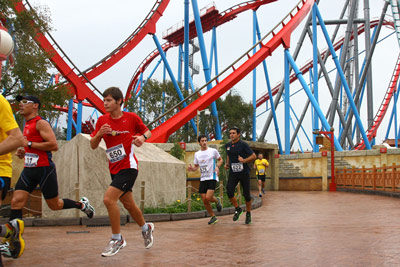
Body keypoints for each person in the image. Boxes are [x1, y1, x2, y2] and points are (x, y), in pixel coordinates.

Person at [10, 95, 95, 236]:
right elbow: (32, 146)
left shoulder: (40, 123)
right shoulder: (27, 124)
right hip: (29, 170)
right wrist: (24, 152)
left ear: (35, 106)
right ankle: (13, 239)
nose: (21, 104)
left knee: (54, 205)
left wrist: (29, 144)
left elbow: (53, 145)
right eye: (20, 102)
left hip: (44, 170)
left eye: (25, 102)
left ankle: (81, 205)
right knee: (16, 201)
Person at [90, 87, 154, 257]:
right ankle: (146, 228)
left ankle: (117, 239)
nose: (105, 103)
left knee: (108, 199)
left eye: (109, 100)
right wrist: (99, 135)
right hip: (114, 168)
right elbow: (93, 145)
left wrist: (142, 138)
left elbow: (147, 131)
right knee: (128, 204)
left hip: (129, 167)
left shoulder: (131, 118)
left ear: (119, 101)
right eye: (104, 100)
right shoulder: (102, 121)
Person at [0, 94, 26, 260]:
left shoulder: (0, 102)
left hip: (0, 169)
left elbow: (17, 138)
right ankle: (9, 230)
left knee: (54, 203)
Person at [187, 134, 223, 225]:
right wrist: (192, 169)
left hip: (212, 176)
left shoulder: (213, 151)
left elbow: (220, 160)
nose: (204, 142)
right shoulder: (197, 154)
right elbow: (196, 167)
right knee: (204, 199)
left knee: (208, 197)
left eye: (205, 140)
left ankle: (217, 200)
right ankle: (213, 217)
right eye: (202, 141)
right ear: (199, 143)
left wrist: (217, 166)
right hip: (203, 178)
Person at [224, 126, 256, 225]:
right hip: (233, 172)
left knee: (246, 195)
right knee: (229, 191)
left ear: (238, 134)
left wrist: (244, 160)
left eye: (234, 133)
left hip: (244, 173)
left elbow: (253, 156)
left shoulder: (243, 145)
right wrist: (227, 164)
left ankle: (248, 213)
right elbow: (229, 155)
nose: (232, 135)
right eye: (230, 133)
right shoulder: (228, 145)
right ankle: (238, 208)